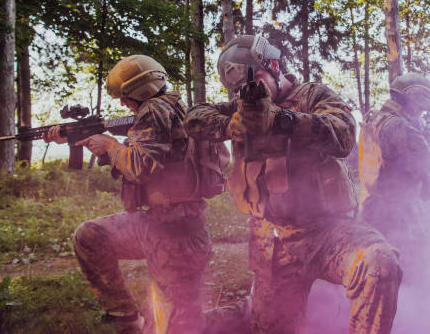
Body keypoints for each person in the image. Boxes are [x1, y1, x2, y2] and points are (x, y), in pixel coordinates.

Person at [185, 35, 402, 334]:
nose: (250, 91)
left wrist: (283, 121)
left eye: (257, 78)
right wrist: (232, 125)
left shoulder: (312, 95)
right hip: (273, 240)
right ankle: (245, 311)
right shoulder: (240, 107)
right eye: (237, 89)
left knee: (379, 263)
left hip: (328, 232)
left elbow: (343, 134)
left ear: (273, 65)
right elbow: (194, 118)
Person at [43, 55, 214, 334]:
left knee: (176, 327)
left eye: (125, 96)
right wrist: (83, 140)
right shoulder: (169, 107)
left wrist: (110, 146)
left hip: (177, 238)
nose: (123, 103)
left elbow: (141, 166)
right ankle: (124, 317)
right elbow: (149, 159)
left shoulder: (154, 110)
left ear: (139, 90)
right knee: (90, 236)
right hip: (154, 226)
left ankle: (244, 313)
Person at [358, 72, 430, 280]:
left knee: (376, 270)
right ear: (408, 100)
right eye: (420, 106)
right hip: (399, 214)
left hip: (371, 206)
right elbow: (427, 167)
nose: (421, 112)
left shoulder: (374, 118)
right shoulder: (400, 126)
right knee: (408, 271)